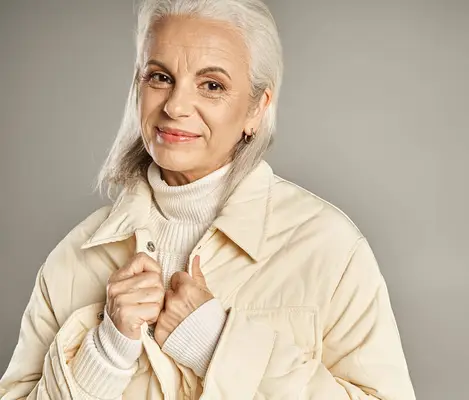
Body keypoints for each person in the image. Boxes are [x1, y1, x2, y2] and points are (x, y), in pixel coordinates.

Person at [0, 0, 416, 398]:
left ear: (257, 108)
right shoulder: (74, 259)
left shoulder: (330, 250)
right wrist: (106, 353)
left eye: (212, 85)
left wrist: (216, 344)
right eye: (160, 77)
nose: (176, 106)